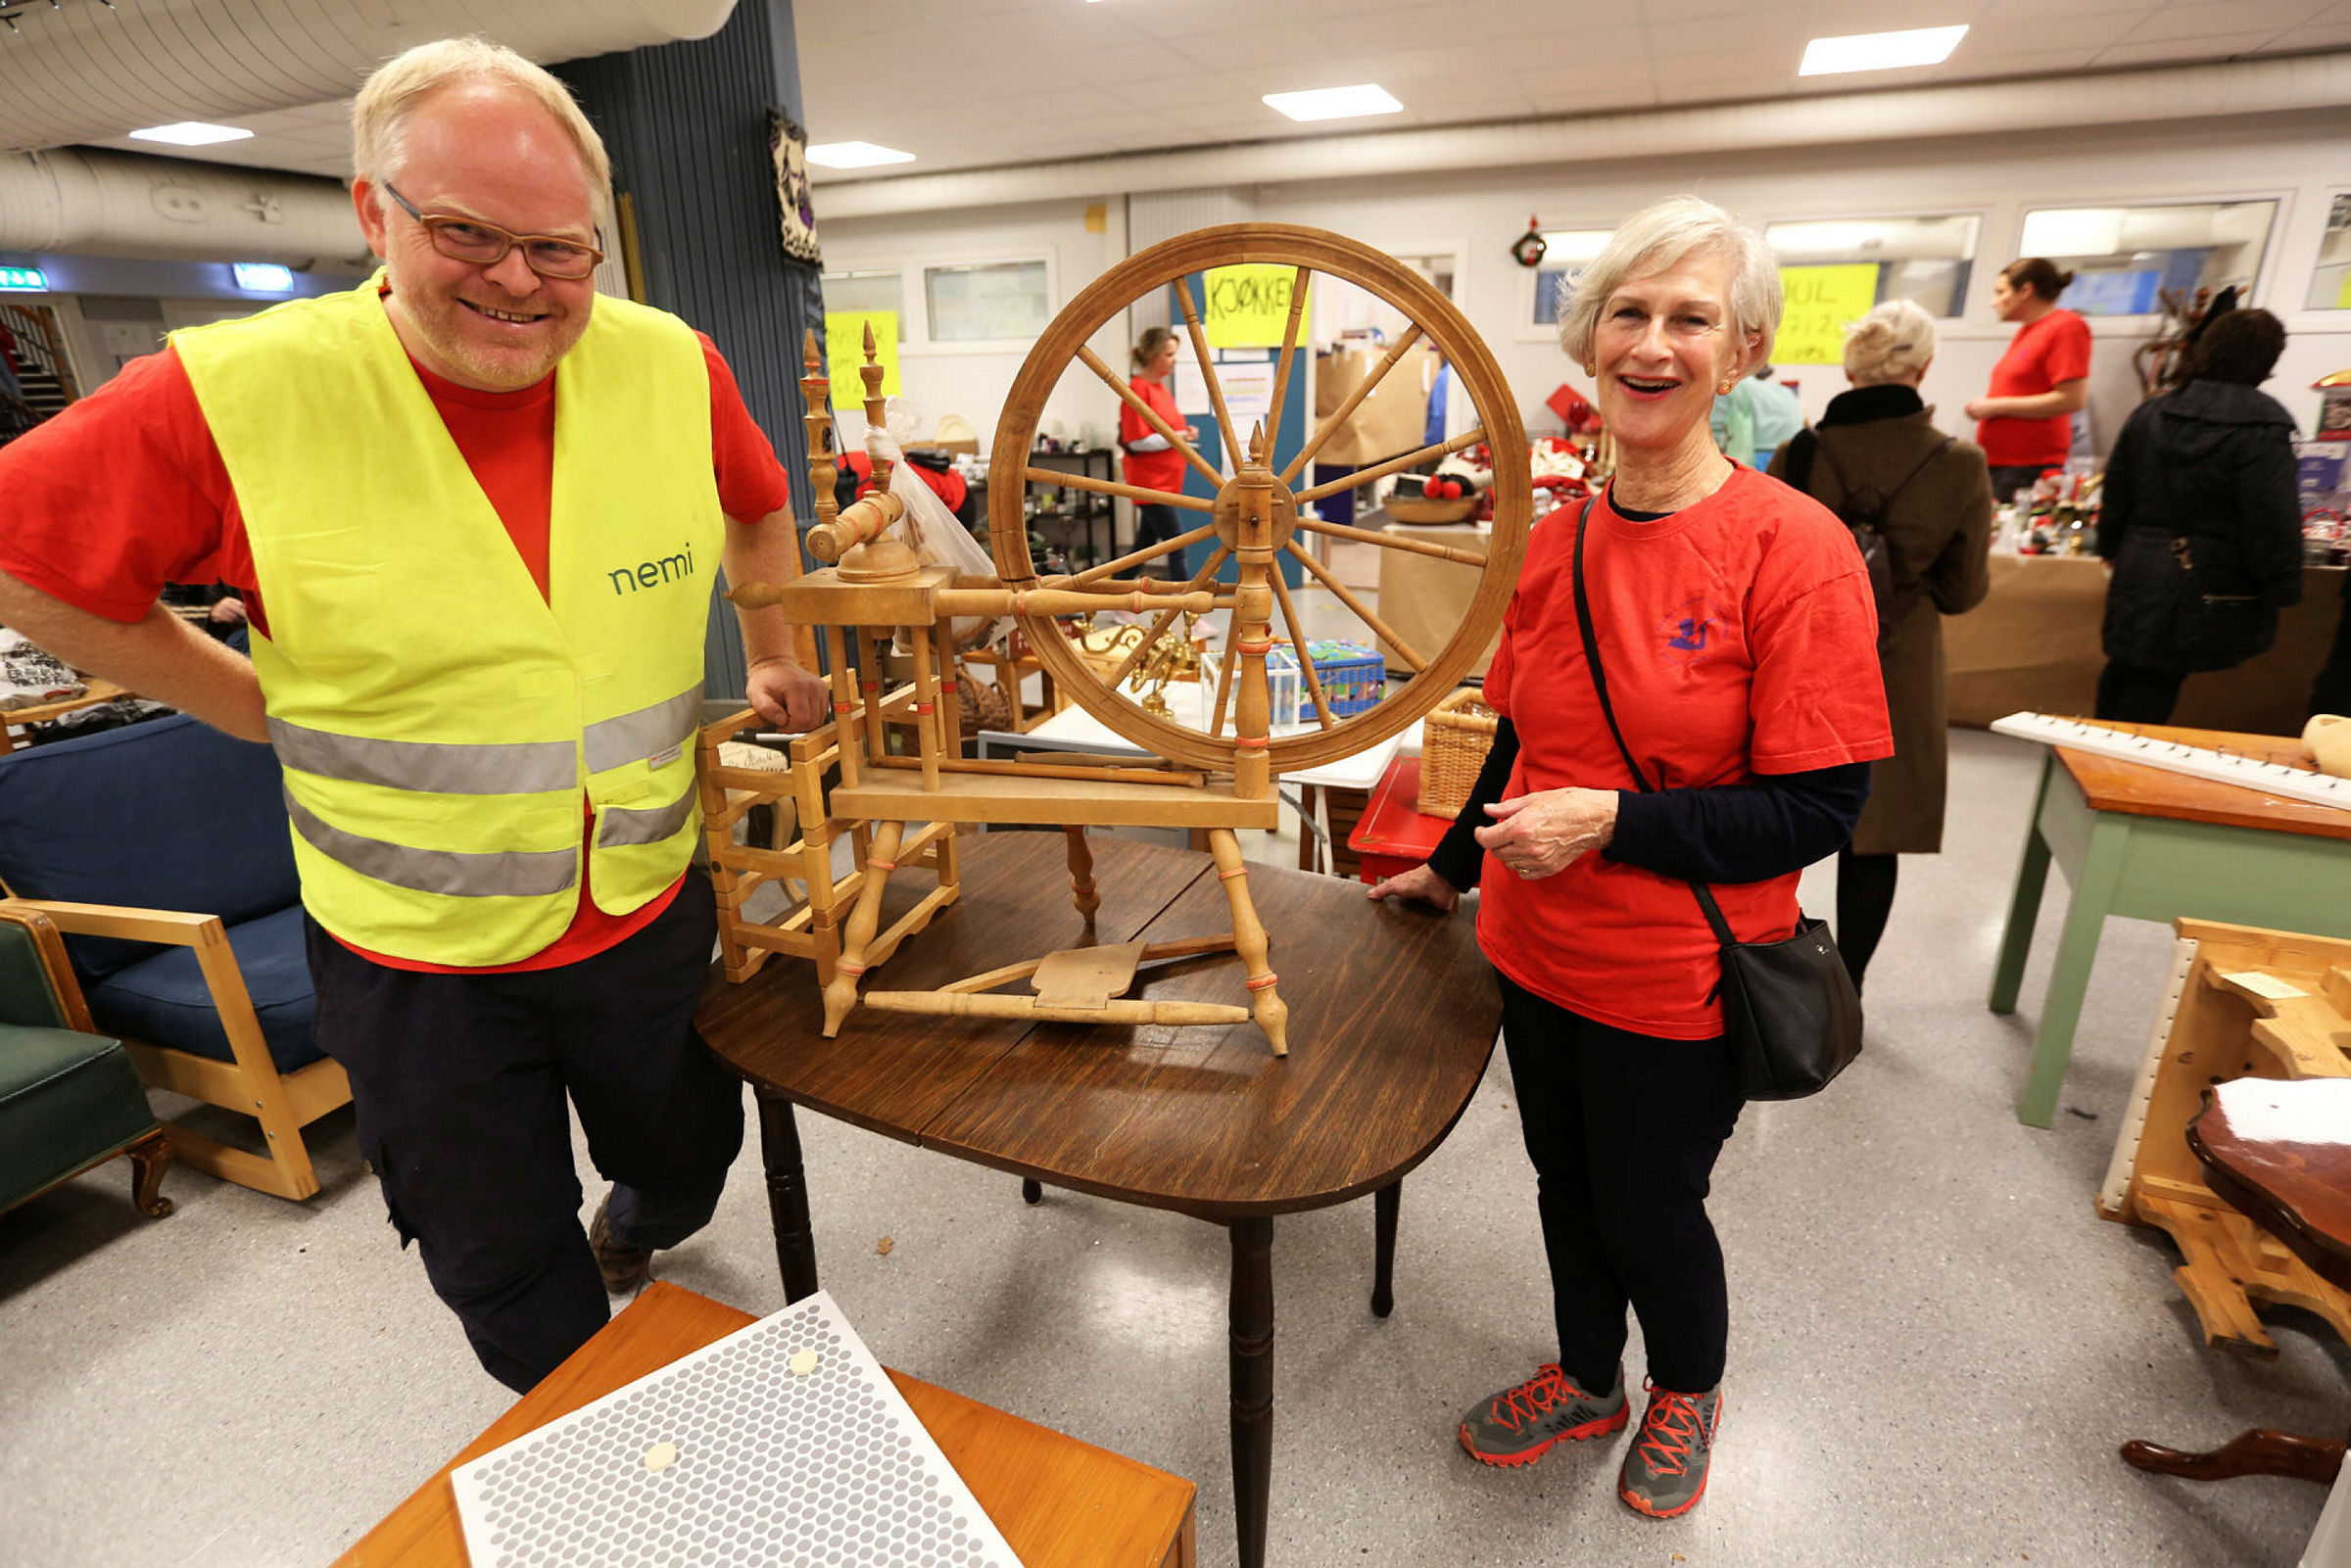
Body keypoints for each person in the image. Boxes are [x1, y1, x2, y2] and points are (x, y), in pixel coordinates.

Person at [0, 38, 828, 1393]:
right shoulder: (236, 391)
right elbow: (23, 562)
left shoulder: (670, 364)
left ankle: (641, 1222)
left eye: (559, 248)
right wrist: (249, 705)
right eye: (465, 232)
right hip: (415, 959)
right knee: (498, 1259)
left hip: (640, 905)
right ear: (372, 212)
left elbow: (756, 501)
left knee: (689, 1157)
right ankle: (598, 1442)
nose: (517, 278)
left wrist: (777, 640)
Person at [1368, 195, 1891, 1520]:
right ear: (1590, 342)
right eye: (1630, 314)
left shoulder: (1796, 550)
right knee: (1563, 1182)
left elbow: (1820, 808)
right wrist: (1449, 865)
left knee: (1654, 1204)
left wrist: (1614, 822)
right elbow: (1514, 733)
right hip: (1536, 952)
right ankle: (1590, 1373)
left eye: (1691, 318)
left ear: (1747, 350)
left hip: (1683, 975)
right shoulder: (1557, 541)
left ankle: (1687, 1387)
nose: (1654, 344)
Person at [1770, 300, 1991, 989]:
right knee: (1877, 835)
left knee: (1774, 819)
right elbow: (1961, 591)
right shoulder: (1960, 463)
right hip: (1897, 668)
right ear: (1924, 368)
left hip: (1794, 663)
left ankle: (1765, 974)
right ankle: (1848, 988)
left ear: (1849, 367)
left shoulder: (1799, 452)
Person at [2093, 308, 2304, 724]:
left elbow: (2116, 492)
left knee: (2126, 667)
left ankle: (2090, 761)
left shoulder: (2152, 412)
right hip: (2208, 572)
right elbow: (2272, 516)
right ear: (2268, 360)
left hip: (2138, 561)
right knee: (2154, 681)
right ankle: (2115, 772)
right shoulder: (2263, 426)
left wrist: (2111, 548)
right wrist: (2283, 586)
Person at [1964, 258, 2091, 503]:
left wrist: (1995, 406)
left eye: (2000, 292)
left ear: (2026, 291)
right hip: (2002, 464)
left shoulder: (2066, 327)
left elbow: (2072, 398)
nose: (1993, 302)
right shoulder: (2028, 331)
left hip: (2027, 466)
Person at [1119, 326, 1198, 578]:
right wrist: (1177, 437)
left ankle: (1115, 596)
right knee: (1177, 545)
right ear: (1152, 355)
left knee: (1144, 543)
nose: (1174, 360)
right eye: (1169, 354)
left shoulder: (1161, 390)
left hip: (1166, 480)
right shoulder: (1137, 390)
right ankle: (1187, 610)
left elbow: (1168, 430)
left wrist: (1185, 433)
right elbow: (1137, 441)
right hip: (1150, 483)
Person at [1708, 362, 1802, 468]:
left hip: (1753, 458)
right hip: (1790, 460)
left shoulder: (1731, 387)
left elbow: (1714, 431)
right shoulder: (1786, 393)